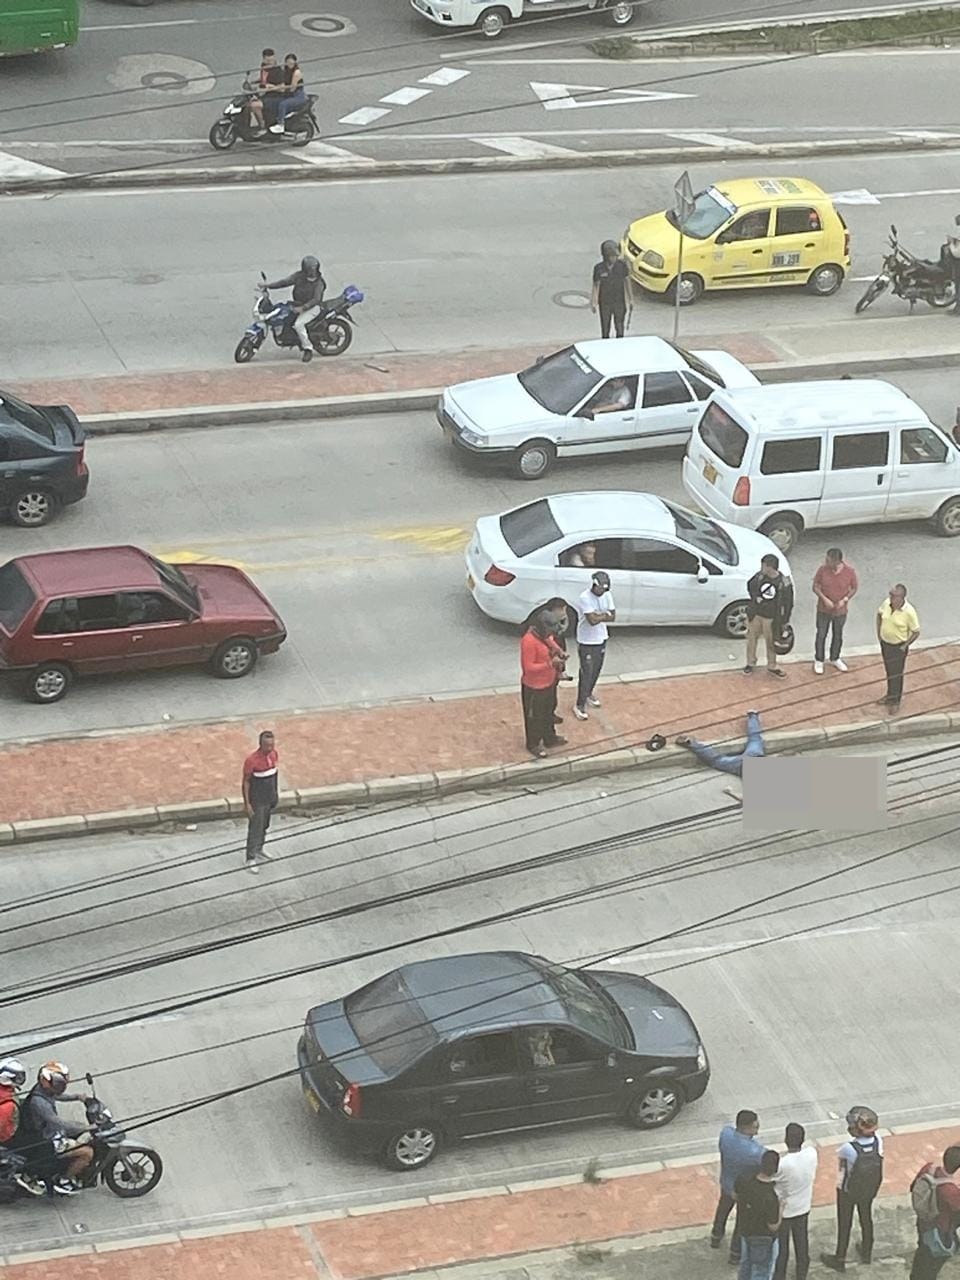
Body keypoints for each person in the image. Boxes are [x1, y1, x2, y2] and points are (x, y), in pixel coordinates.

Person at [820, 1105, 884, 1272]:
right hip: (869, 1189)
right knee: (866, 1218)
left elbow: (842, 1165)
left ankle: (840, 1258)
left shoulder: (849, 1148)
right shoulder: (879, 1141)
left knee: (845, 1223)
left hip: (848, 1191)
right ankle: (867, 1251)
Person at [21, 1062, 94, 1196]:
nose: (60, 1087)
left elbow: (57, 1096)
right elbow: (58, 1123)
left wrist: (77, 1097)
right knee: (87, 1152)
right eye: (57, 1084)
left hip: (51, 1132)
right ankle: (64, 1180)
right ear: (44, 1080)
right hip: (50, 1138)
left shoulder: (43, 1090)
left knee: (78, 1129)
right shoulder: (39, 1103)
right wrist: (86, 1127)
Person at [711, 1109, 764, 1261]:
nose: (757, 1128)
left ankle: (716, 1235)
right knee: (742, 1221)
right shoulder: (756, 1152)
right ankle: (735, 1252)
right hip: (744, 1191)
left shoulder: (726, 1134)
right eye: (755, 1126)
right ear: (747, 1127)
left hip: (726, 1183)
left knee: (722, 1210)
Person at [773, 1122, 818, 1280]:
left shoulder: (782, 1164)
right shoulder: (811, 1154)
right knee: (801, 1242)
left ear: (785, 1139)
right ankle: (801, 1273)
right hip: (803, 1207)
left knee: (782, 1247)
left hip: (785, 1211)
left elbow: (773, 1181)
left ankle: (779, 1275)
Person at [909, 1145, 960, 1280]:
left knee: (922, 1252)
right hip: (939, 1230)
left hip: (923, 1221)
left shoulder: (928, 1169)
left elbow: (913, 1187)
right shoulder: (951, 1191)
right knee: (932, 1264)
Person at [520, 614, 567, 759]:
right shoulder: (528, 641)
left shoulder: (544, 636)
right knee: (535, 716)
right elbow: (528, 667)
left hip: (549, 682)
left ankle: (549, 738)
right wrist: (549, 664)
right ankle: (533, 743)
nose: (551, 633)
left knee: (549, 712)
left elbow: (550, 642)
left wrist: (559, 651)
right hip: (534, 687)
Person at [262, 256, 326, 362]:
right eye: (310, 270)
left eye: (314, 270)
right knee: (281, 311)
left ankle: (307, 349)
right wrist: (268, 286)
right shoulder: (299, 276)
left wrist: (303, 308)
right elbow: (284, 282)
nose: (312, 272)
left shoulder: (319, 283)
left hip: (313, 308)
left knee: (298, 325)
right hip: (297, 304)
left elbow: (316, 299)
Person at [573, 570, 615, 721]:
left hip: (601, 637)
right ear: (594, 585)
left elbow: (613, 616)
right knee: (586, 672)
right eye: (600, 589)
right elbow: (591, 620)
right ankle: (579, 704)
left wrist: (600, 616)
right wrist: (604, 615)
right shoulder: (585, 597)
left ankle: (588, 693)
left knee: (597, 669)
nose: (602, 592)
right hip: (586, 640)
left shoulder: (607, 595)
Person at [744, 553, 793, 678]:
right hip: (756, 614)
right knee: (751, 639)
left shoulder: (784, 582)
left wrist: (785, 620)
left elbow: (788, 603)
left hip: (772, 618)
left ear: (769, 567)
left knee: (771, 642)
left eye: (763, 566)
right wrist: (756, 598)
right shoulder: (759, 577)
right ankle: (750, 663)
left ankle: (772, 665)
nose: (761, 568)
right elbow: (750, 586)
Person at [736, 1149, 782, 1280]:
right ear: (775, 1169)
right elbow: (773, 1226)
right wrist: (782, 1209)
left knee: (746, 1264)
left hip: (745, 1231)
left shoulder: (745, 1181)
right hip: (763, 1238)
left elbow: (735, 1195)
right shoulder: (771, 1197)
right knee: (761, 1270)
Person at [0, 1059, 43, 1197]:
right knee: (40, 1145)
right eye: (16, 1077)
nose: (20, 1080)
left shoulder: (6, 1091)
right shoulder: (7, 1106)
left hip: (11, 1126)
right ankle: (28, 1176)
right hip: (8, 1137)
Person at [676, 710, 763, 777]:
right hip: (741, 766)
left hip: (756, 757)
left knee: (755, 738)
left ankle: (753, 715)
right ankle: (691, 743)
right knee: (716, 760)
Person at [812, 547, 858, 675]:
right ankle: (819, 659)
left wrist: (845, 599)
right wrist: (824, 599)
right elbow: (815, 586)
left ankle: (835, 658)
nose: (826, 562)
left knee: (837, 635)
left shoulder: (849, 572)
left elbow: (854, 587)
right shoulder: (822, 570)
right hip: (823, 610)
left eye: (829, 560)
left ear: (837, 561)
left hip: (840, 611)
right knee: (821, 634)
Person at [876, 583, 920, 710]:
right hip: (886, 644)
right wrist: (879, 633)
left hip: (898, 647)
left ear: (902, 597)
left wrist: (905, 645)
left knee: (897, 674)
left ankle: (895, 701)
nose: (891, 597)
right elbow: (879, 615)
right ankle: (889, 695)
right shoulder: (886, 604)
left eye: (894, 596)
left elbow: (916, 631)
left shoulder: (909, 612)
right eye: (890, 594)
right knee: (889, 671)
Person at [243, 730, 279, 874]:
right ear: (260, 744)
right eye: (267, 746)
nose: (270, 748)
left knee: (265, 825)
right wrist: (247, 804)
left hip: (269, 798)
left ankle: (259, 849)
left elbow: (274, 776)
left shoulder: (274, 755)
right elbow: (245, 782)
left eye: (272, 745)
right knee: (255, 828)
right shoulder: (251, 760)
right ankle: (250, 857)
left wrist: (275, 795)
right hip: (257, 801)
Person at [591, 239, 632, 338]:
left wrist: (631, 299)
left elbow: (627, 281)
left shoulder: (622, 266)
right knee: (605, 329)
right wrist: (593, 301)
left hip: (619, 302)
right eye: (612, 256)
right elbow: (596, 285)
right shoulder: (599, 268)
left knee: (619, 327)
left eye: (616, 256)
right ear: (606, 256)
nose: (615, 258)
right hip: (605, 303)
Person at [269, 53, 307, 135]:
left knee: (283, 104)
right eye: (288, 62)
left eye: (291, 62)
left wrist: (278, 89)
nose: (289, 64)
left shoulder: (297, 73)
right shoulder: (285, 71)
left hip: (297, 96)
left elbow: (292, 89)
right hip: (289, 95)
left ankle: (281, 125)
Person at [250, 48, 283, 132]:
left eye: (271, 60)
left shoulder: (278, 71)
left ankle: (262, 126)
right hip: (265, 94)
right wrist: (253, 82)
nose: (269, 62)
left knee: (255, 106)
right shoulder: (263, 67)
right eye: (267, 60)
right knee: (246, 104)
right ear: (263, 59)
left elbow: (283, 88)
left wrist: (271, 87)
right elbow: (264, 79)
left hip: (275, 97)